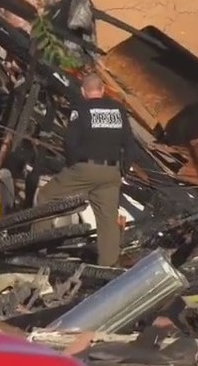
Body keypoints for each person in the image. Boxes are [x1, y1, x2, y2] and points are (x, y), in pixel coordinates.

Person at [33, 73, 132, 267]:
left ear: (83, 92)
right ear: (102, 90)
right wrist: (123, 171)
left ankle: (36, 252)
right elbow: (129, 144)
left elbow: (70, 142)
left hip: (85, 168)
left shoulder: (81, 109)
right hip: (111, 172)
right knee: (107, 222)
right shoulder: (118, 110)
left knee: (45, 197)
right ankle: (108, 270)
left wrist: (73, 165)